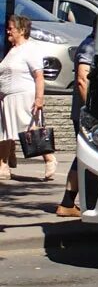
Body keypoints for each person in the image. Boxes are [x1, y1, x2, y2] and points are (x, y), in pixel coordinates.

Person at [0, 15, 56, 180]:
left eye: (11, 28)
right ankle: (3, 165)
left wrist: (39, 98)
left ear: (22, 30)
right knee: (5, 133)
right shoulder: (13, 50)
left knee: (30, 131)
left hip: (24, 97)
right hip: (8, 99)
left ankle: (49, 159)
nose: (8, 31)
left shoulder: (30, 49)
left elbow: (39, 76)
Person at [56, 33, 95, 216]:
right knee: (84, 156)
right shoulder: (90, 46)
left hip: (85, 113)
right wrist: (92, 110)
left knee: (83, 156)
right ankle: (67, 202)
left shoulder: (91, 43)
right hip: (87, 114)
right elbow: (82, 79)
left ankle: (69, 201)